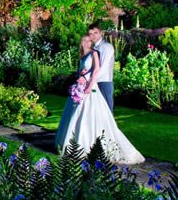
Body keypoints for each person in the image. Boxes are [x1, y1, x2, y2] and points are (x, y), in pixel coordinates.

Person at [55, 35, 144, 164]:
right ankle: (73, 144)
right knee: (74, 114)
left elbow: (96, 70)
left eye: (88, 41)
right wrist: (79, 75)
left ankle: (87, 145)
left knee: (89, 115)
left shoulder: (94, 53)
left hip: (90, 88)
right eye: (84, 40)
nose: (86, 42)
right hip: (80, 86)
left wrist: (88, 84)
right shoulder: (82, 55)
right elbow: (80, 71)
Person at [88, 23, 115, 112]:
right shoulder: (93, 47)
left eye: (96, 33)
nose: (93, 36)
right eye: (91, 34)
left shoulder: (106, 47)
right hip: (94, 81)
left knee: (106, 110)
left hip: (104, 82)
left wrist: (91, 80)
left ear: (101, 33)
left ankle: (108, 127)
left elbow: (103, 68)